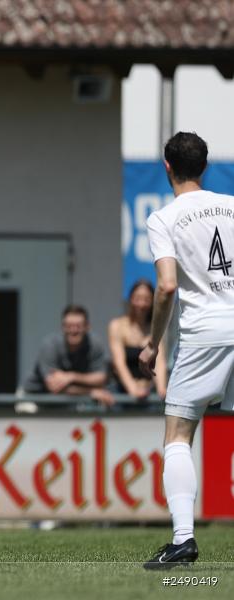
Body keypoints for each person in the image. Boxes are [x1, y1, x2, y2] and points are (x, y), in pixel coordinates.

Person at [140, 132, 234, 570]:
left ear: (167, 167)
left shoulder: (164, 218)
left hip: (203, 335)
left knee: (178, 435)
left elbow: (166, 286)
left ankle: (182, 540)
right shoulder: (232, 206)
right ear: (205, 166)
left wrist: (152, 344)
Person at [23, 305, 113, 405]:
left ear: (87, 327)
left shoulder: (94, 344)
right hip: (33, 398)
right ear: (62, 327)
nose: (73, 330)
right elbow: (53, 387)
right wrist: (90, 392)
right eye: (69, 326)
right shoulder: (50, 345)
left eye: (78, 326)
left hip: (69, 402)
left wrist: (71, 376)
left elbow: (101, 378)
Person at [107, 280, 167, 400]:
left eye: (146, 299)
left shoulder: (155, 330)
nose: (141, 304)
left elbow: (160, 363)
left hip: (148, 392)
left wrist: (161, 389)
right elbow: (119, 363)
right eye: (137, 298)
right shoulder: (117, 326)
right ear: (130, 299)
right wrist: (133, 389)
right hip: (122, 391)